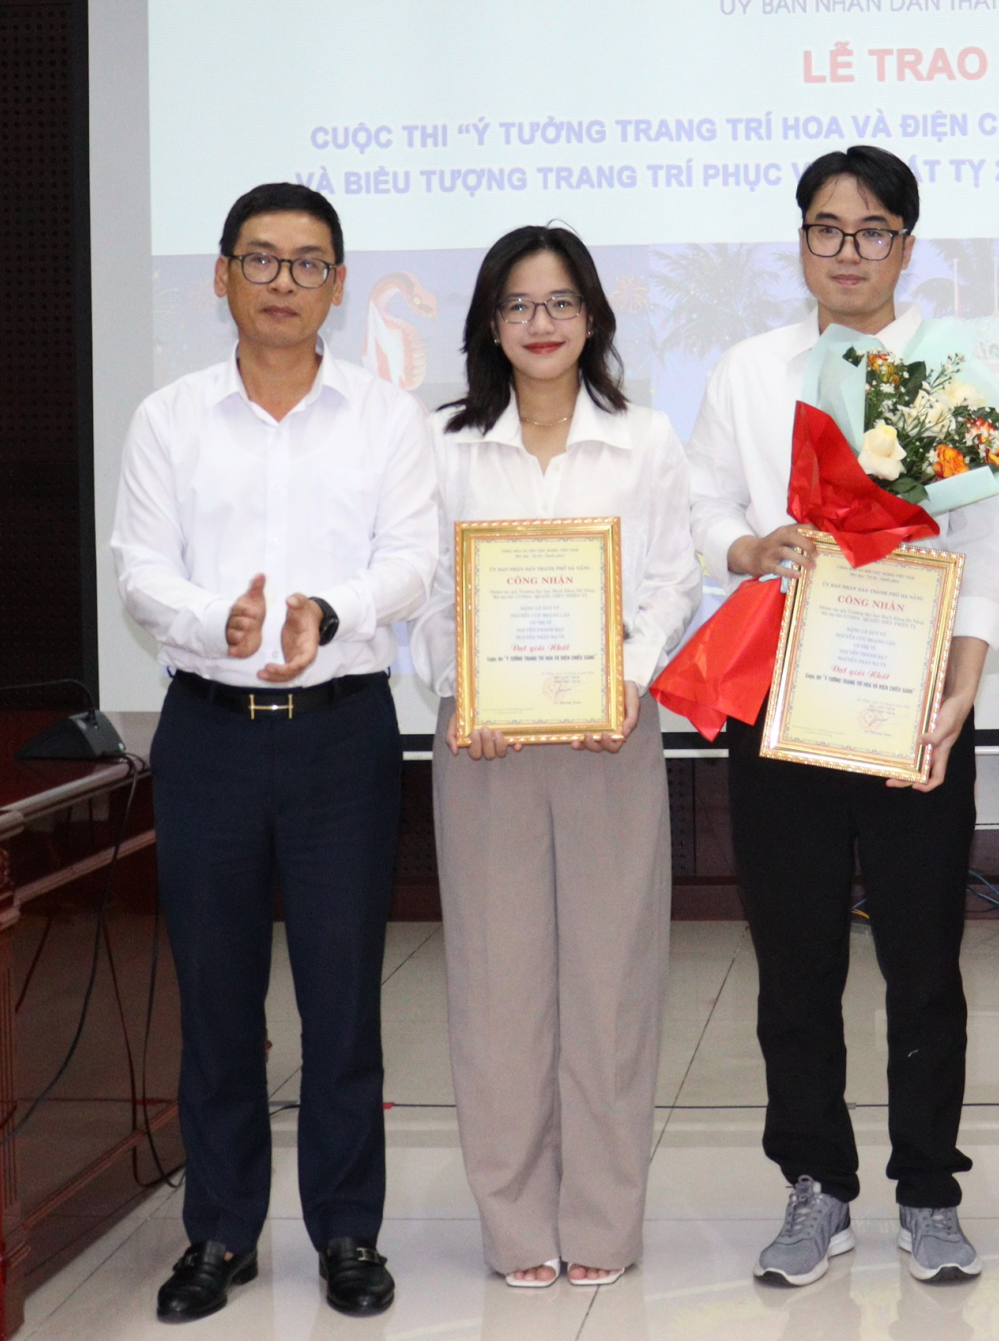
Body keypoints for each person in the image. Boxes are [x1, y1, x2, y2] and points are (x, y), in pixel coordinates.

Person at [113, 181, 437, 1321]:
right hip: (210, 736)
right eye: (261, 260)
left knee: (344, 1002)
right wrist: (221, 624)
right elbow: (142, 571)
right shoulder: (169, 418)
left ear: (339, 286)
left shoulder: (386, 418)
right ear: (220, 276)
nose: (284, 283)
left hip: (342, 739)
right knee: (216, 1000)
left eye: (308, 264)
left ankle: (347, 1232)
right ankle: (219, 1234)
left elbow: (412, 558)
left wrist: (328, 612)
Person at [685, 146, 999, 1287]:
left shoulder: (942, 370)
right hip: (782, 699)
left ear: (906, 246)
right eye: (824, 229)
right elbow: (702, 511)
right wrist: (750, 545)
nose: (846, 252)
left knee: (922, 957)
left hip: (910, 699)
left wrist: (960, 693)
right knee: (794, 958)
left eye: (871, 231)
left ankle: (927, 1188)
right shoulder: (749, 369)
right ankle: (813, 1183)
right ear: (800, 242)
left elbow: (983, 546)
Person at [410, 225, 700, 1289]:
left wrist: (621, 675)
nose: (540, 325)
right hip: (480, 741)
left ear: (592, 318)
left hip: (607, 734)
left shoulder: (645, 440)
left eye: (560, 303)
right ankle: (513, 1226)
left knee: (611, 984)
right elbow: (432, 593)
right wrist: (460, 690)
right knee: (497, 988)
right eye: (519, 306)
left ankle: (603, 1222)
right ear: (491, 323)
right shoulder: (444, 447)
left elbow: (670, 577)